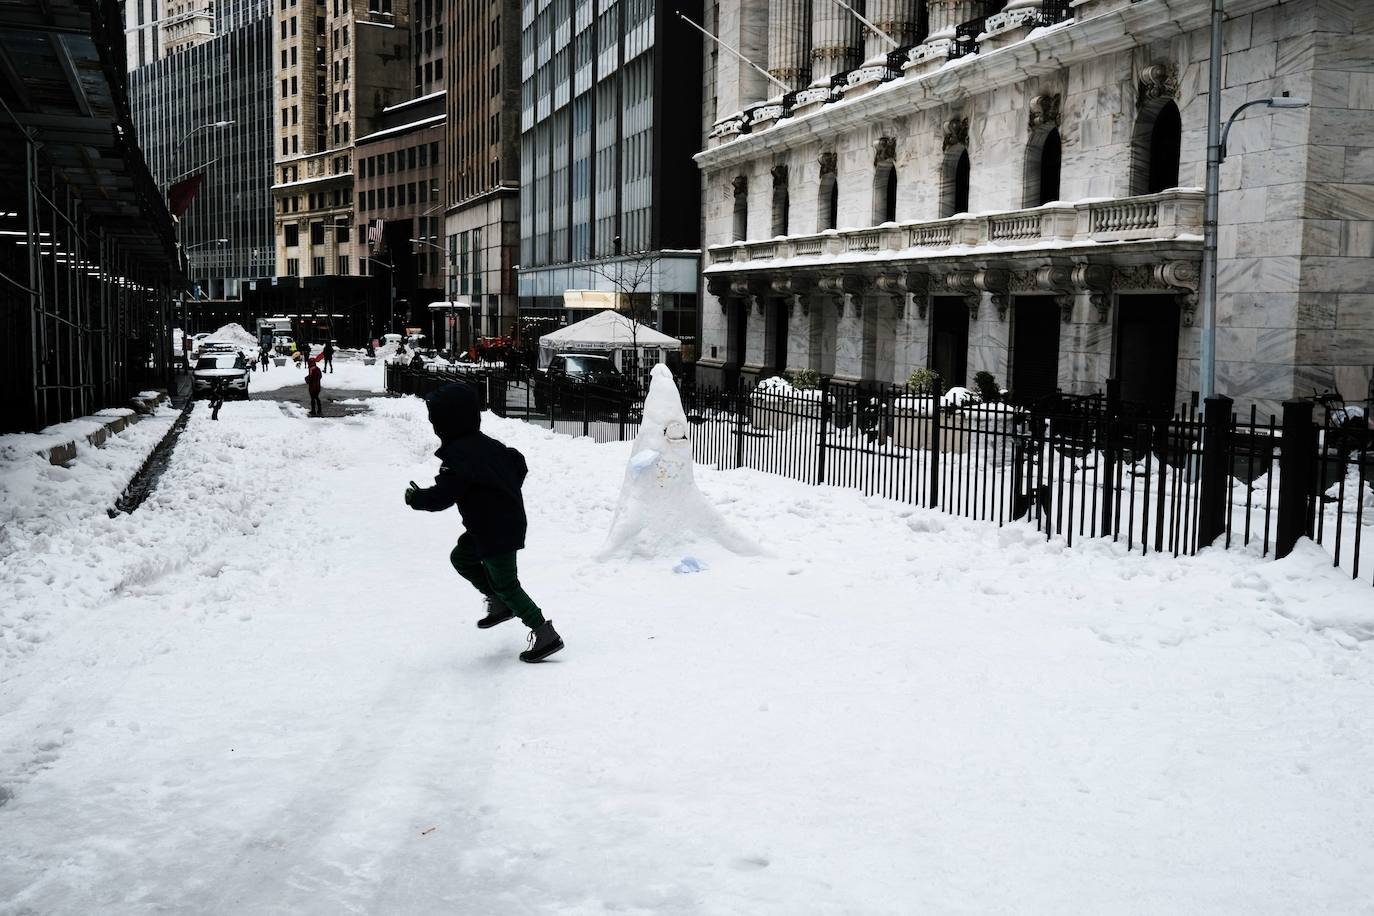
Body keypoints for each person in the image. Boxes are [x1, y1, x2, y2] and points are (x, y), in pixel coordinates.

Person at [405, 382, 563, 662]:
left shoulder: (458, 457)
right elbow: (518, 463)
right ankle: (501, 603)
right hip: (492, 525)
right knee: (462, 558)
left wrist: (416, 498)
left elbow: (443, 496)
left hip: (495, 530)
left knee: (507, 584)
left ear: (445, 423)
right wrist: (502, 491)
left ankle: (543, 632)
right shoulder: (489, 445)